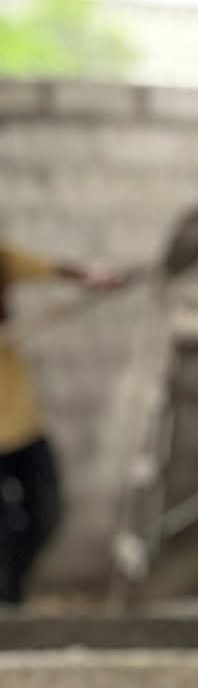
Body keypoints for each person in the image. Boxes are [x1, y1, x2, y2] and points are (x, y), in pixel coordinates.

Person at [0, 241, 128, 605]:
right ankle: (8, 604)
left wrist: (91, 275)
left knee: (46, 514)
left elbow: (44, 266)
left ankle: (12, 595)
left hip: (24, 426)